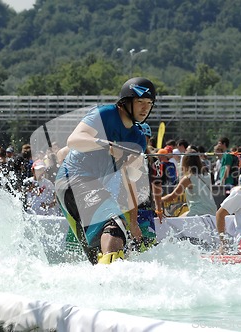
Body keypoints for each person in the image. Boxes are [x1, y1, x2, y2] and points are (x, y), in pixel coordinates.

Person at [55, 77, 156, 265]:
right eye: (140, 102)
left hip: (89, 190)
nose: (145, 108)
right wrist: (106, 145)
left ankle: (104, 289)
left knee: (101, 254)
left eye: (149, 103)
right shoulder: (106, 113)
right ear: (126, 101)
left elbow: (129, 182)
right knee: (114, 225)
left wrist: (133, 222)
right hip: (73, 180)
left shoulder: (139, 140)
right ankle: (112, 281)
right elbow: (74, 140)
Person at [161, 152, 217, 217]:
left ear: (185, 163)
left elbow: (172, 197)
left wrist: (158, 199)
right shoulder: (207, 175)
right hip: (212, 211)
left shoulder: (188, 178)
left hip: (198, 212)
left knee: (176, 224)